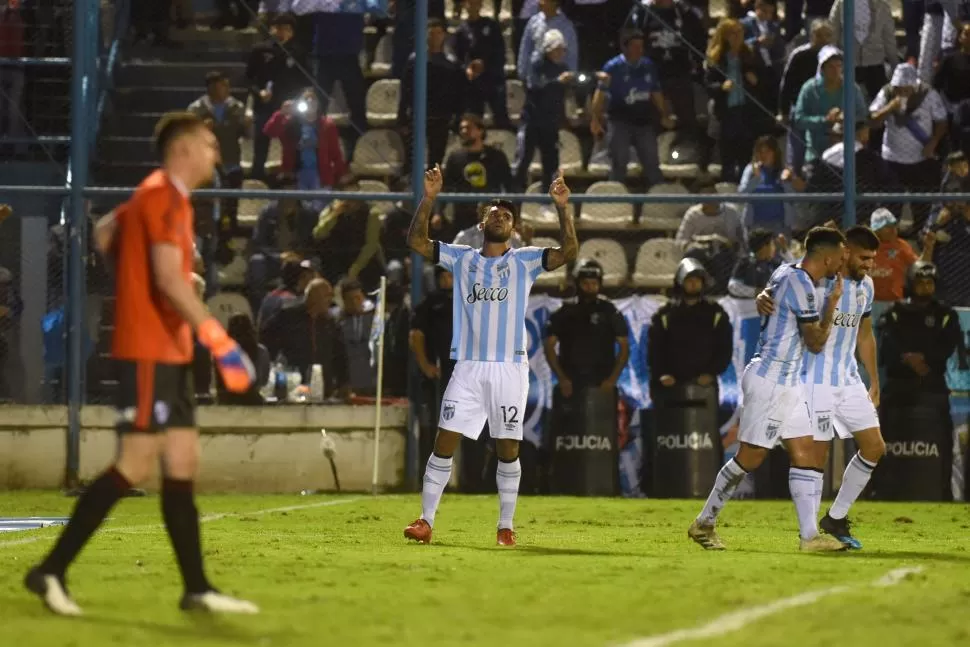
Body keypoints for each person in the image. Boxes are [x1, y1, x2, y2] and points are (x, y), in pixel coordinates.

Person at [24, 112, 258, 615]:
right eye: (209, 144)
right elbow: (172, 281)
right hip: (149, 352)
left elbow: (107, 231)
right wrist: (220, 342)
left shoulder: (156, 197)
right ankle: (49, 571)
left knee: (183, 462)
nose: (216, 153)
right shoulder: (164, 195)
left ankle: (196, 589)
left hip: (168, 351)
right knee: (133, 465)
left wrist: (134, 275)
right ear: (183, 150)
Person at [403, 165, 578, 546]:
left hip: (509, 368)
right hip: (467, 367)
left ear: (513, 228)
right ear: (481, 224)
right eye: (493, 212)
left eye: (507, 214)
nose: (500, 215)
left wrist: (563, 208)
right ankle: (425, 521)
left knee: (507, 448)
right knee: (444, 442)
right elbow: (416, 242)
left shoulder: (525, 259)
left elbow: (568, 253)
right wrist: (429, 197)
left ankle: (505, 526)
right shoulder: (462, 258)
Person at [689, 226, 848, 552]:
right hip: (771, 379)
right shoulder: (803, 285)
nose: (841, 265)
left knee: (805, 450)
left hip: (787, 381)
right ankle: (704, 522)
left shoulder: (785, 271)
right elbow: (816, 343)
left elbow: (770, 293)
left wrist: (765, 296)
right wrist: (832, 305)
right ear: (828, 257)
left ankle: (809, 538)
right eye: (840, 259)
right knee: (751, 456)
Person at [756, 226, 885, 549]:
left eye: (873, 259)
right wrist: (764, 293)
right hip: (813, 379)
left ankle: (836, 517)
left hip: (849, 378)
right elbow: (788, 274)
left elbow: (865, 334)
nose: (869, 265)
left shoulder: (866, 287)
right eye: (863, 257)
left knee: (874, 447)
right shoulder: (816, 282)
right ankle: (809, 534)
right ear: (845, 253)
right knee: (817, 454)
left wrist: (874, 379)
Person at [877, 261, 966, 500]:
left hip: (932, 386)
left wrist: (924, 359)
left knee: (945, 441)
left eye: (929, 283)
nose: (925, 287)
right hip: (898, 387)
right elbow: (887, 347)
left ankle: (944, 492)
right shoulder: (895, 313)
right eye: (920, 282)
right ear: (910, 283)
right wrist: (907, 359)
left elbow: (947, 345)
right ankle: (879, 488)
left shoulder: (946, 315)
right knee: (879, 434)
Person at [543, 260, 630, 400]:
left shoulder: (610, 311)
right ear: (578, 284)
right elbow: (549, 346)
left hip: (602, 381)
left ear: (600, 284)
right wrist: (562, 378)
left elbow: (624, 348)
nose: (590, 288)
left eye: (594, 284)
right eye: (585, 283)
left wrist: (611, 380)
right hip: (571, 382)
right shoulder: (565, 311)